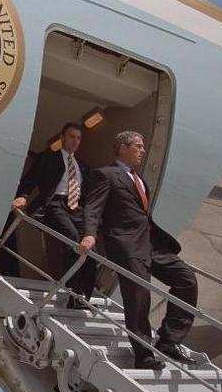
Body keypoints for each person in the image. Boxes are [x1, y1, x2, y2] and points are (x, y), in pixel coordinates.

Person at [80, 131, 198, 370]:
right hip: (126, 245)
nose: (143, 151)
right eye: (138, 146)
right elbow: (93, 207)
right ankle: (144, 356)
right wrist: (89, 234)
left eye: (143, 147)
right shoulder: (106, 175)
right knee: (138, 297)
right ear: (123, 148)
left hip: (151, 244)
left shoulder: (139, 179)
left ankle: (168, 341)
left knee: (187, 280)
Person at [12, 122, 97, 309]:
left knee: (92, 250)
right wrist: (23, 196)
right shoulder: (48, 158)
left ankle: (84, 297)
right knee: (74, 242)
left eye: (78, 138)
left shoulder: (82, 166)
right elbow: (30, 179)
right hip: (55, 204)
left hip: (77, 209)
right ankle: (73, 291)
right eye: (71, 136)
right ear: (63, 138)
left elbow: (91, 193)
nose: (75, 141)